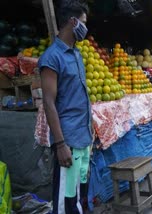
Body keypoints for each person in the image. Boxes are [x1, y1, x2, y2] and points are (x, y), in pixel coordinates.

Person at [38, 1, 93, 213]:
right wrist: (60, 144)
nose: (85, 28)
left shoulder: (76, 54)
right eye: (83, 22)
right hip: (68, 141)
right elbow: (49, 103)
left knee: (80, 196)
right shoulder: (52, 57)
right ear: (73, 21)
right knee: (66, 201)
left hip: (83, 138)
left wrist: (90, 134)